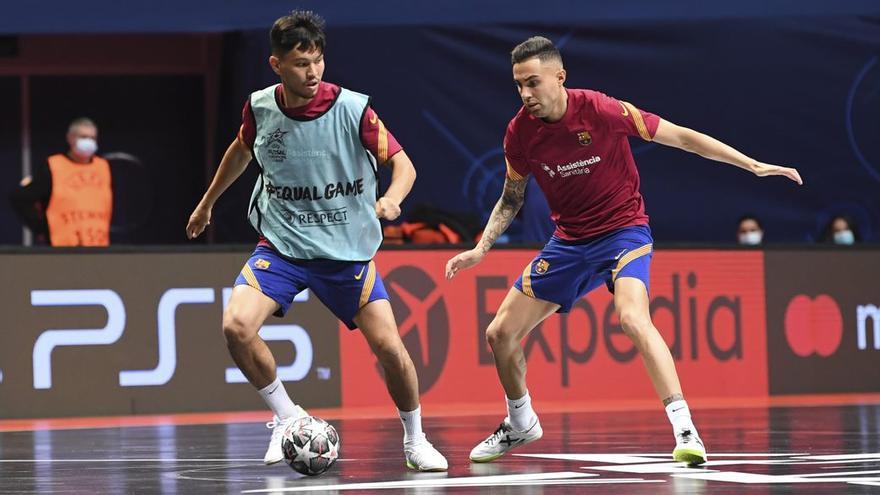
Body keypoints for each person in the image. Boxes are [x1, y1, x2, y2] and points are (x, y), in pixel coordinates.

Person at [445, 36, 803, 466]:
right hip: (569, 243)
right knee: (498, 334)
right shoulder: (520, 132)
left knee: (632, 318)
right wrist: (480, 249)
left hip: (622, 233)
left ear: (560, 77)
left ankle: (685, 428)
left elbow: (683, 138)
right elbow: (511, 197)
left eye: (533, 83)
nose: (525, 94)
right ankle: (520, 422)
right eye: (519, 85)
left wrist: (753, 165)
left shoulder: (600, 109)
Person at [185, 11, 447, 471]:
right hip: (284, 246)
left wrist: (391, 199)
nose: (313, 73)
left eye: (318, 61)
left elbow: (404, 165)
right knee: (236, 327)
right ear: (276, 65)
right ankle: (288, 418)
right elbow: (241, 149)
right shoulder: (260, 107)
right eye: (301, 63)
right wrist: (207, 203)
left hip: (345, 251)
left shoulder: (353, 109)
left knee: (389, 347)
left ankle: (415, 438)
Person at [9, 117, 112, 246]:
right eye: (83, 137)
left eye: (92, 138)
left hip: (99, 245)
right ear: (70, 138)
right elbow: (20, 198)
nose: (89, 142)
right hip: (62, 246)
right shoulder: (55, 166)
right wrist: (42, 228)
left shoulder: (102, 167)